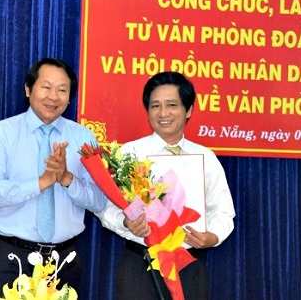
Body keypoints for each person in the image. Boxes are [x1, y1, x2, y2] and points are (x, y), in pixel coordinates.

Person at [96, 71, 235, 300]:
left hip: (189, 264)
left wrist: (212, 237)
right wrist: (126, 222)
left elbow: (223, 212)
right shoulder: (129, 154)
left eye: (172, 105)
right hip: (140, 266)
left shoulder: (205, 157)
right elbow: (104, 207)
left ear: (188, 110)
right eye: (155, 106)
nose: (163, 113)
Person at [0, 58, 107, 299]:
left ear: (70, 97)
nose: (53, 96)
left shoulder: (84, 138)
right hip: (11, 259)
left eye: (62, 90)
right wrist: (42, 182)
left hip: (64, 262)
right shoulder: (1, 133)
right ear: (28, 90)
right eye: (46, 87)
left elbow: (99, 201)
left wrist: (67, 178)